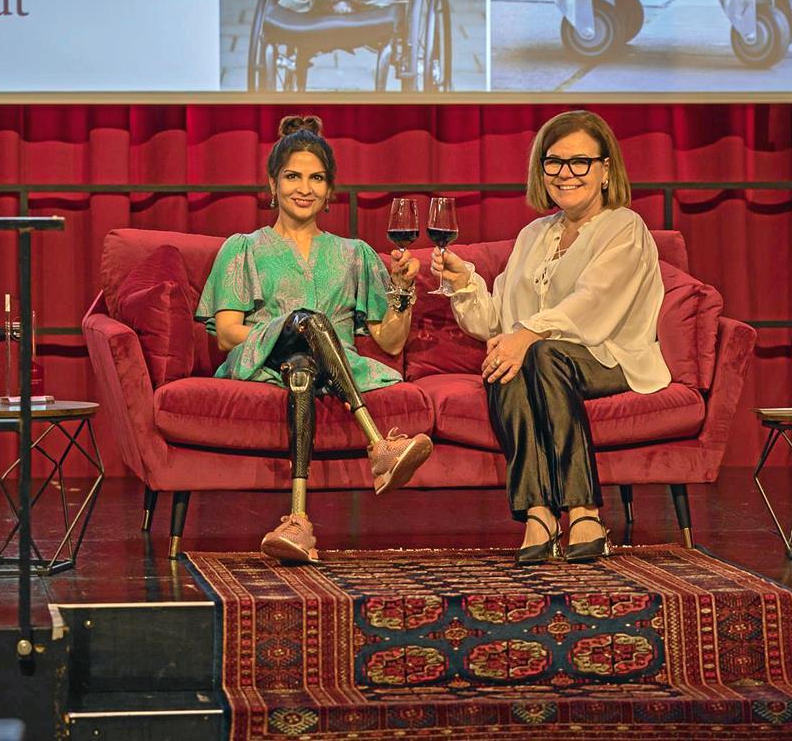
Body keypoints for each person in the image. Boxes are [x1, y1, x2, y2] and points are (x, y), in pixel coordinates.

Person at [432, 110, 669, 564]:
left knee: (535, 352)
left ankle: (583, 509)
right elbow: (497, 320)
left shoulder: (624, 227)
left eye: (579, 162)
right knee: (510, 358)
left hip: (611, 355)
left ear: (605, 170)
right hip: (545, 357)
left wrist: (526, 334)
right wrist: (465, 282)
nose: (565, 174)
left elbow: (594, 304)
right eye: (553, 162)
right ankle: (539, 511)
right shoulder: (534, 235)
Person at [196, 115, 432, 564]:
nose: (304, 188)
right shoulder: (242, 248)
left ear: (329, 191)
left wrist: (402, 292)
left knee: (304, 369)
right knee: (305, 326)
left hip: (331, 371)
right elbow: (228, 334)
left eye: (316, 178)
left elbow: (393, 341)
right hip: (265, 363)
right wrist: (292, 326)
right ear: (272, 184)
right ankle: (378, 445)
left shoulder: (355, 254)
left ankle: (298, 522)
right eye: (293, 177)